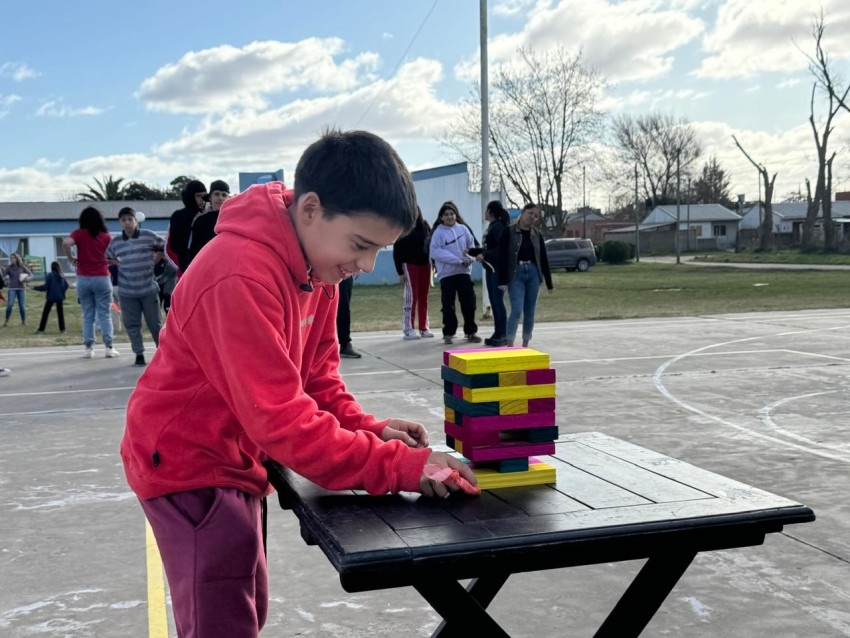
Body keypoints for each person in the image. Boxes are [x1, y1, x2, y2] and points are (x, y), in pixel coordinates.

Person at [119, 129, 477, 638]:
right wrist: (403, 466)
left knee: (244, 605)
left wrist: (369, 430)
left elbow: (316, 381)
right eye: (360, 245)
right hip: (189, 464)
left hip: (237, 457)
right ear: (310, 209)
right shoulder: (238, 274)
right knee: (221, 623)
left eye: (380, 250)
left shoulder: (318, 270)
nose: (366, 265)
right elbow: (283, 422)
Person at [106, 207, 165, 366]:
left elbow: (164, 247)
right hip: (127, 291)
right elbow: (107, 257)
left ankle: (163, 353)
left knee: (155, 324)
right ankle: (139, 353)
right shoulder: (116, 242)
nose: (127, 223)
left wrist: (155, 260)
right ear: (120, 222)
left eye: (130, 219)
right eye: (123, 220)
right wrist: (116, 263)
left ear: (135, 220)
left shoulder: (148, 236)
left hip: (148, 289)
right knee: (132, 325)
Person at [64, 207, 119, 358]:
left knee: (88, 314)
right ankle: (108, 347)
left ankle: (89, 348)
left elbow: (66, 243)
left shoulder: (79, 234)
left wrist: (70, 259)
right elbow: (114, 256)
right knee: (105, 314)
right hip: (102, 277)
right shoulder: (106, 236)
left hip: (83, 278)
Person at [497, 203, 554, 348]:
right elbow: (501, 257)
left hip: (533, 273)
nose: (533, 218)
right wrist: (502, 280)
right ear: (522, 212)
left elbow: (543, 258)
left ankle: (525, 344)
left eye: (536, 216)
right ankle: (509, 344)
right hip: (516, 274)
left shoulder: (537, 234)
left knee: (530, 311)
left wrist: (549, 282)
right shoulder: (508, 232)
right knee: (516, 310)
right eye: (530, 213)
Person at [429, 201, 480, 345]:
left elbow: (471, 247)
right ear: (441, 217)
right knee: (448, 305)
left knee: (469, 303)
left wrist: (469, 258)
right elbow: (435, 252)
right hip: (447, 274)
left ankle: (471, 332)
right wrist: (457, 261)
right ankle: (449, 333)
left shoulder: (463, 229)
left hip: (464, 273)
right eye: (446, 215)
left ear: (456, 215)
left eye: (452, 214)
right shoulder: (438, 233)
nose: (450, 217)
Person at [393, 206, 433, 340]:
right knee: (411, 297)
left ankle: (424, 327)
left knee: (424, 297)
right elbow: (397, 250)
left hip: (425, 265)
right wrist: (400, 272)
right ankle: (408, 329)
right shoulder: (403, 229)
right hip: (409, 265)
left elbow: (432, 244)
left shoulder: (425, 226)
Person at [478, 200, 511, 347]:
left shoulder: (499, 227)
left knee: (498, 302)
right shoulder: (491, 227)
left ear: (490, 212)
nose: (485, 213)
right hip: (490, 269)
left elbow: (501, 249)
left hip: (498, 269)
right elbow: (488, 248)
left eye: (486, 210)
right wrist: (474, 252)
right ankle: (497, 332)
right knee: (493, 301)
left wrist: (485, 256)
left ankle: (503, 333)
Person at [166, 180, 207, 277]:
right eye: (198, 196)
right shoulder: (178, 216)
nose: (202, 199)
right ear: (190, 196)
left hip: (207, 266)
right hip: (186, 268)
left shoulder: (209, 215)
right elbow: (174, 246)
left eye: (204, 196)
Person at [185, 179, 230, 269]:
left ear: (228, 198)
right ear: (210, 197)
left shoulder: (234, 220)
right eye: (216, 194)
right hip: (206, 267)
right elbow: (194, 250)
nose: (220, 198)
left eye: (224, 195)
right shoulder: (200, 221)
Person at [34, 261, 69, 333]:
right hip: (60, 297)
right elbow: (66, 286)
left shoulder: (50, 275)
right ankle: (62, 329)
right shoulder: (61, 275)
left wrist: (35, 288)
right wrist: (62, 293)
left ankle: (41, 329)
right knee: (60, 313)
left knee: (45, 313)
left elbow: (45, 287)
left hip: (51, 296)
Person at [2, 253, 33, 327]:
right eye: (11, 258)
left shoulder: (22, 267)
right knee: (10, 305)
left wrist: (28, 278)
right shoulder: (9, 268)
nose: (12, 259)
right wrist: (2, 271)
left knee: (22, 306)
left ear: (17, 259)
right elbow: (3, 275)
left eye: (14, 258)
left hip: (21, 288)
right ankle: (6, 321)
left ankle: (23, 321)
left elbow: (31, 274)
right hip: (12, 288)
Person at [336, 275, 361, 358]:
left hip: (343, 273)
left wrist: (356, 266)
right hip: (325, 271)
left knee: (343, 307)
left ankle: (344, 344)